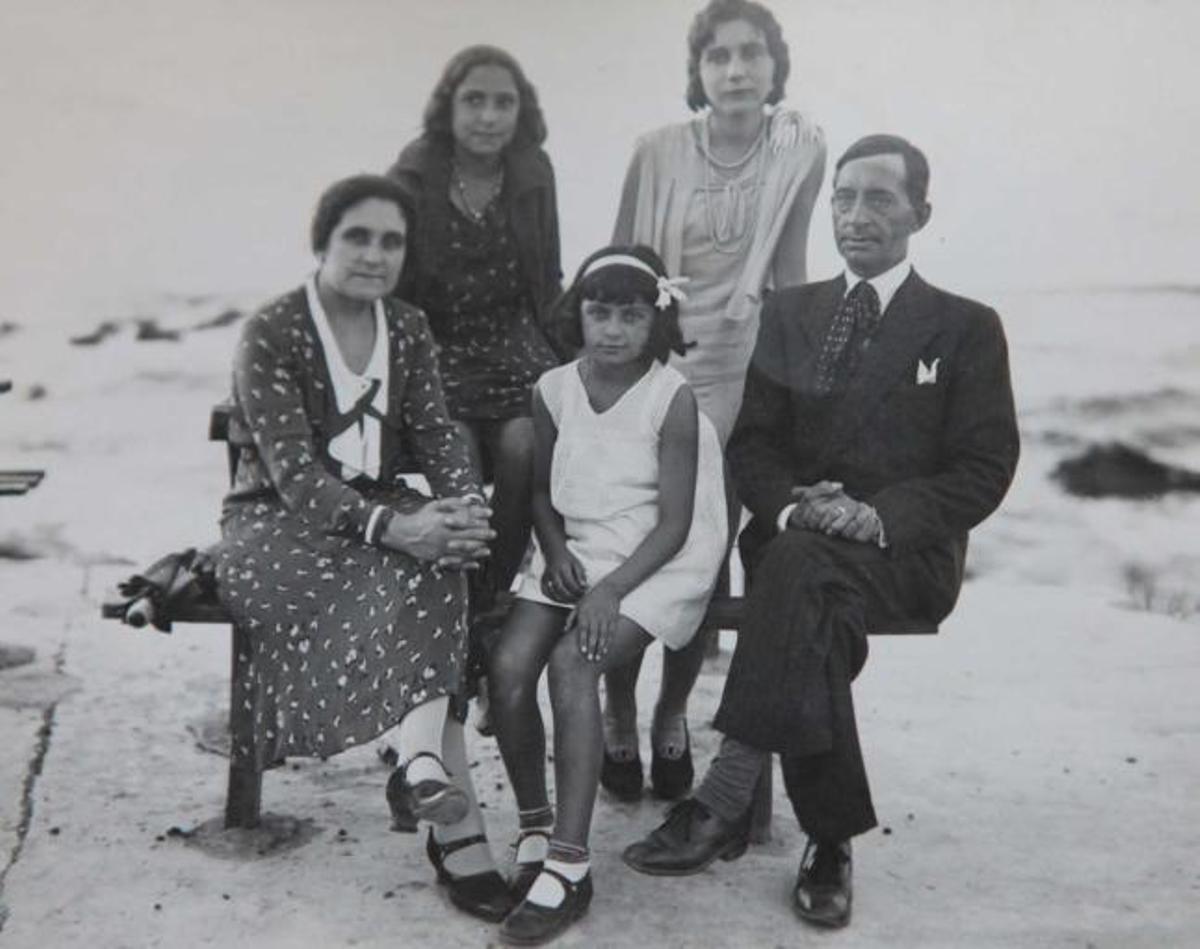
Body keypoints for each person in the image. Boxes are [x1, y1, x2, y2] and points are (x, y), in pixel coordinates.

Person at [622, 135, 1020, 931]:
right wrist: (795, 506)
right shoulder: (793, 311)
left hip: (901, 556)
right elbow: (755, 444)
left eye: (879, 198)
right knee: (809, 587)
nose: (856, 215)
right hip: (797, 543)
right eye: (843, 198)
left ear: (921, 213)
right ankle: (828, 842)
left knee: (802, 576)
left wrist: (877, 515)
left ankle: (728, 791)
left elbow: (985, 465)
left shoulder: (965, 326)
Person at [212, 174, 515, 923]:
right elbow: (295, 479)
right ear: (323, 241)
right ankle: (452, 821)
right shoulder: (271, 332)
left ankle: (423, 769)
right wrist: (401, 528)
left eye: (391, 241)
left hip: (373, 519)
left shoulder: (407, 326)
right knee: (419, 558)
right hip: (277, 529)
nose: (375, 254)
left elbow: (439, 431)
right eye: (358, 236)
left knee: (443, 552)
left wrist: (466, 504)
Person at [602, 0, 827, 802]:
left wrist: (813, 394)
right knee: (635, 539)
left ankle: (671, 712)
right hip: (657, 367)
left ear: (776, 66)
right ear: (696, 72)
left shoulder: (801, 149)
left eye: (752, 54)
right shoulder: (656, 151)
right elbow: (622, 271)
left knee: (702, 549)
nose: (735, 70)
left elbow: (794, 269)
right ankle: (618, 710)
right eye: (718, 57)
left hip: (746, 373)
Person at [487, 247, 728, 945]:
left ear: (657, 320)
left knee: (573, 663)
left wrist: (612, 591)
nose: (614, 329)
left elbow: (678, 521)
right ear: (579, 314)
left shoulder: (670, 398)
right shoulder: (554, 387)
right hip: (579, 551)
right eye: (600, 312)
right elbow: (540, 490)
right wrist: (557, 552)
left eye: (631, 314)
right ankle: (536, 828)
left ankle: (569, 863)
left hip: (656, 560)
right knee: (507, 670)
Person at [387, 45, 564, 625]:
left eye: (503, 103)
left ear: (521, 110)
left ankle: (490, 597)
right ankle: (460, 601)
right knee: (456, 456)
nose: (488, 116)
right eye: (474, 101)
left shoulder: (534, 171)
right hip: (438, 351)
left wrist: (573, 366)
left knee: (524, 447)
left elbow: (549, 279)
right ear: (448, 106)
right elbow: (391, 288)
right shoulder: (412, 175)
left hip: (517, 350)